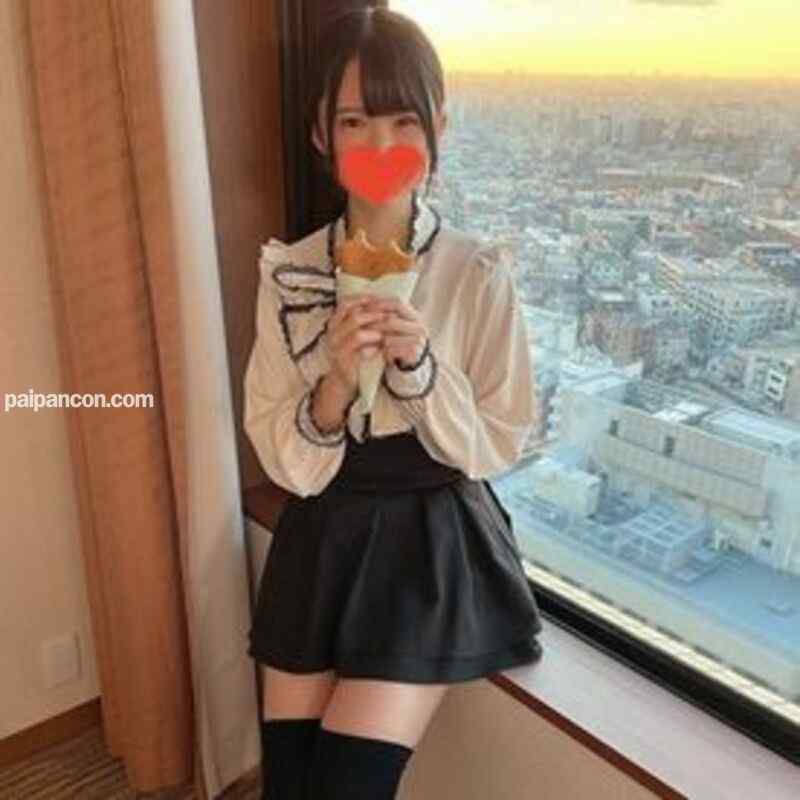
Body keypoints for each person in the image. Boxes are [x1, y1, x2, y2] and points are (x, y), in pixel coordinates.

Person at [243, 7, 543, 799]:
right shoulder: (289, 272)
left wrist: (418, 366)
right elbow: (285, 459)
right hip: (321, 530)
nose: (380, 147)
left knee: (348, 789)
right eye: (354, 122)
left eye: (403, 120)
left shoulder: (476, 272)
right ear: (321, 133)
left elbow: (498, 440)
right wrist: (336, 385)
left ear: (439, 126)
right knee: (289, 785)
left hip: (428, 541)